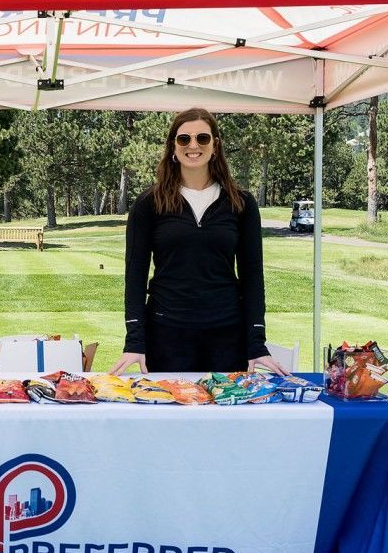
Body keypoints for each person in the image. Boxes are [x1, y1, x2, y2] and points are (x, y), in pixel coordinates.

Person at [111, 108, 288, 376]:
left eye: (202, 138)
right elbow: (134, 276)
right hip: (166, 336)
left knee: (225, 418)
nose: (193, 146)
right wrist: (134, 341)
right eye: (184, 139)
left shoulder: (241, 203)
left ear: (215, 145)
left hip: (227, 338)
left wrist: (256, 343)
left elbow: (253, 276)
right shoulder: (149, 204)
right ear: (173, 146)